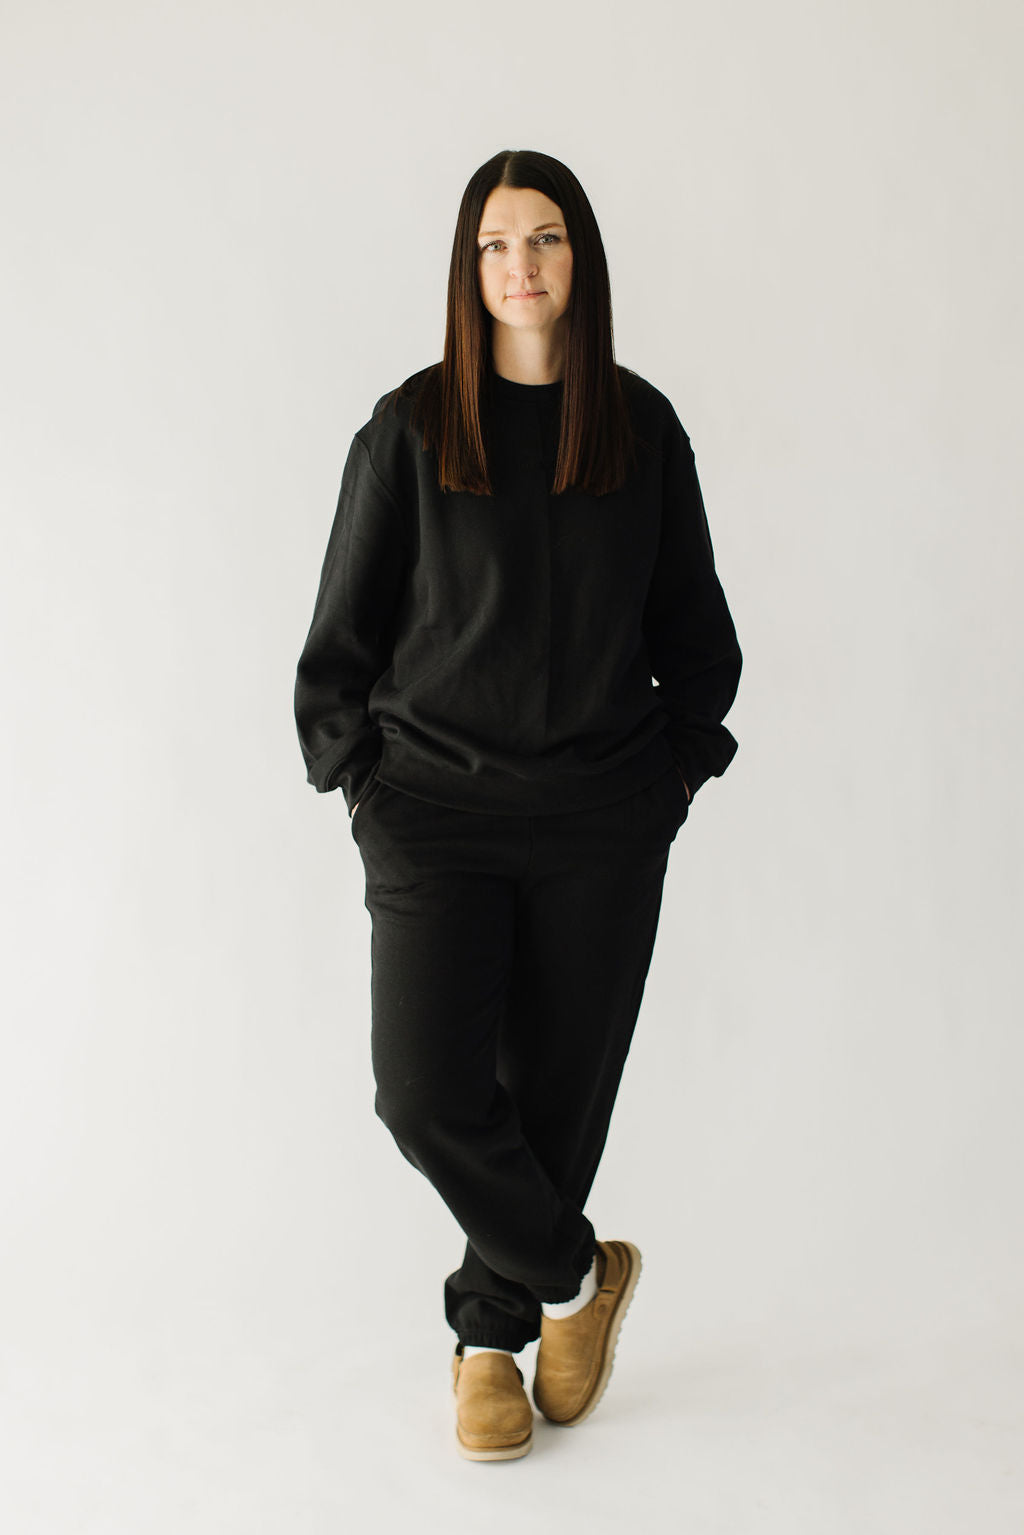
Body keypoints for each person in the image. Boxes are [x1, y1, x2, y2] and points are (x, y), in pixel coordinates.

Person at [293, 148, 742, 1461]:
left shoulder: (641, 431)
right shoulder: (413, 429)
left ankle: (487, 1345)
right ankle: (579, 1280)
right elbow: (339, 641)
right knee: (425, 1093)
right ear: (467, 268)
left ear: (579, 259)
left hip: (604, 818)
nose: (521, 266)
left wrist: (671, 781)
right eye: (495, 244)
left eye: (543, 238)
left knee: (553, 1100)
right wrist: (362, 786)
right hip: (432, 809)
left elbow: (697, 637)